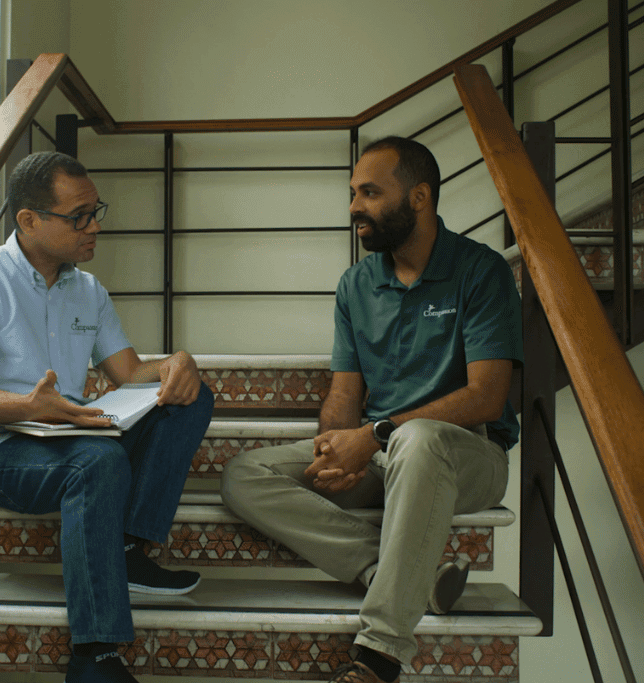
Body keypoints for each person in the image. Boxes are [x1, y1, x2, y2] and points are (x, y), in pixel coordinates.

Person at [221, 136, 522, 683]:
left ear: (419, 198)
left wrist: (375, 436)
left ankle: (380, 654)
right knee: (245, 474)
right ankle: (407, 573)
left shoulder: (482, 272)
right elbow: (343, 394)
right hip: (385, 455)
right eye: (353, 193)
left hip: (466, 455)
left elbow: (486, 395)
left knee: (419, 438)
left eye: (369, 192)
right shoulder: (356, 284)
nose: (354, 206)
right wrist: (336, 450)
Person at [0, 151, 214, 683]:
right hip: (1, 454)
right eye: (79, 216)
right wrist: (27, 407)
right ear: (29, 220)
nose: (95, 227)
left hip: (69, 435)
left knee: (190, 396)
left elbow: (129, 372)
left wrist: (177, 364)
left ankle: (129, 547)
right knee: (97, 462)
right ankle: (95, 656)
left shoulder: (88, 290)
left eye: (96, 211)